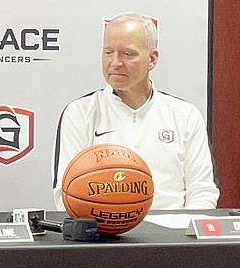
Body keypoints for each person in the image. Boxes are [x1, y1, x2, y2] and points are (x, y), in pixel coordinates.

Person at [52, 12, 219, 210]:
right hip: (105, 236)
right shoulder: (80, 113)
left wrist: (180, 234)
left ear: (152, 59)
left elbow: (202, 191)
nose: (115, 62)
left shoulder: (186, 115)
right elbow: (67, 195)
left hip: (173, 237)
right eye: (108, 52)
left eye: (127, 54)